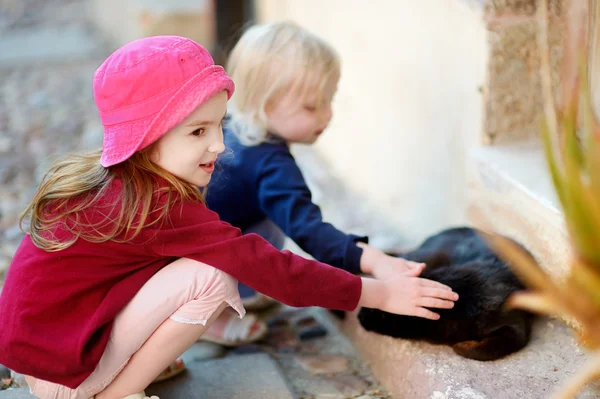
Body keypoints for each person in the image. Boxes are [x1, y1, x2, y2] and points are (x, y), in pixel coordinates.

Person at [0, 36, 458, 399]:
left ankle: (115, 371)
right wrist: (376, 293)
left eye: (220, 124)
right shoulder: (159, 204)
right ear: (145, 138)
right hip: (63, 374)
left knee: (196, 259)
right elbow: (272, 268)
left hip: (44, 353)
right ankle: (115, 392)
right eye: (198, 131)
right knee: (214, 275)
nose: (219, 145)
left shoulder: (121, 182)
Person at [204, 21, 429, 339]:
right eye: (312, 106)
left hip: (193, 236)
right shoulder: (271, 164)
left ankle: (240, 290)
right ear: (265, 104)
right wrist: (373, 260)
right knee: (264, 224)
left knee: (262, 219)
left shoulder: (228, 123)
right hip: (183, 260)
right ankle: (207, 320)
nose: (327, 115)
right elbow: (310, 232)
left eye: (330, 100)